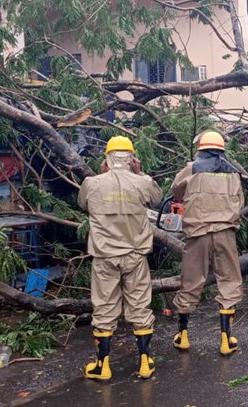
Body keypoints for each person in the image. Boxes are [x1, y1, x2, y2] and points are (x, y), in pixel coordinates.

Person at [77, 136, 162, 380]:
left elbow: (83, 204)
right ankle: (145, 362)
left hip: (104, 257)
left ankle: (102, 366)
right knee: (139, 306)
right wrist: (141, 173)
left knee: (104, 308)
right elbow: (157, 199)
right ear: (133, 159)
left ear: (106, 159)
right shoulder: (142, 182)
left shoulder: (92, 183)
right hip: (135, 255)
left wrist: (102, 176)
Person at [170, 129, 245, 356]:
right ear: (222, 149)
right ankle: (226, 338)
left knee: (191, 282)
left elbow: (175, 190)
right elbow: (239, 202)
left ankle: (182, 336)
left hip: (197, 233)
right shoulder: (233, 172)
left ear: (200, 148)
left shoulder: (192, 167)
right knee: (229, 281)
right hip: (225, 233)